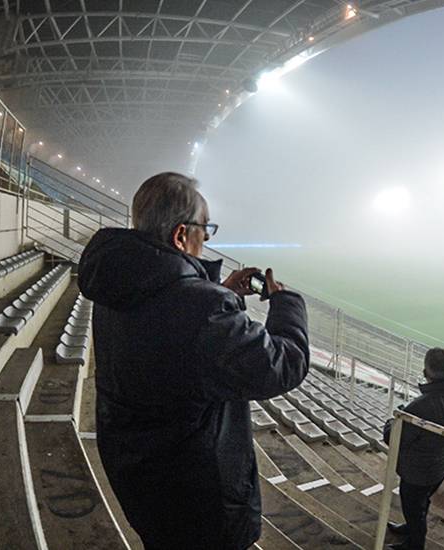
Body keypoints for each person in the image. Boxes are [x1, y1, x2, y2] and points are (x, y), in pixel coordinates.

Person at [78, 172, 309, 550]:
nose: (208, 238)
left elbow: (165, 329)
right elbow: (286, 364)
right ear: (181, 236)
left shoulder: (115, 284)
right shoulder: (201, 310)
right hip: (198, 499)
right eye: (206, 229)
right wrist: (285, 303)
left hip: (139, 478)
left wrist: (214, 290)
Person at [382, 348, 444, 550]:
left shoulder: (419, 408)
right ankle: (411, 528)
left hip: (418, 473)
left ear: (425, 372)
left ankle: (415, 544)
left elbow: (391, 437)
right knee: (422, 502)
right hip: (443, 465)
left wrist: (394, 418)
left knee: (413, 506)